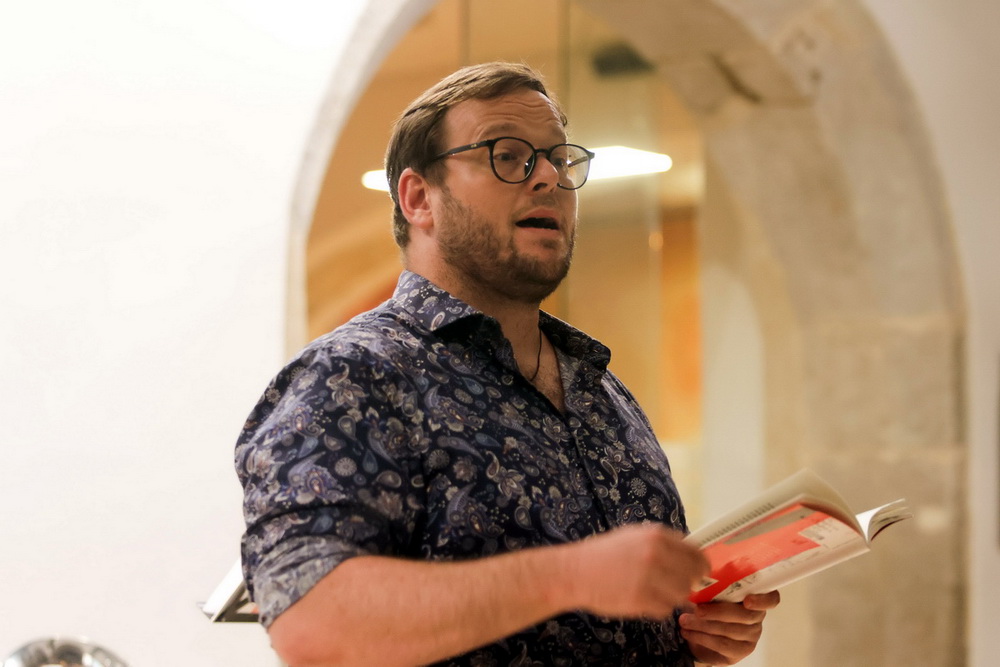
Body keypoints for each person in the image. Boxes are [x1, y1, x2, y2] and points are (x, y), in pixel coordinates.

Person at [235, 61, 779, 666]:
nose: (548, 177)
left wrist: (689, 629)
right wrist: (569, 576)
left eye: (559, 159)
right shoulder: (351, 376)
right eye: (508, 155)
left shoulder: (603, 391)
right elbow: (312, 624)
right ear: (419, 198)